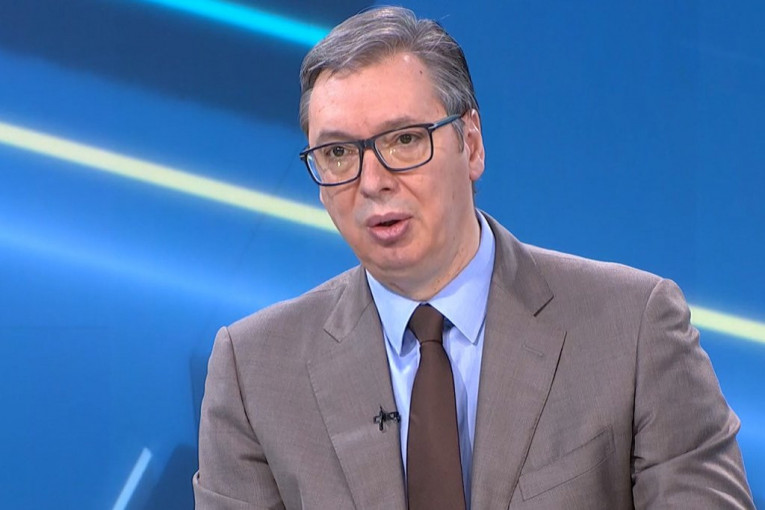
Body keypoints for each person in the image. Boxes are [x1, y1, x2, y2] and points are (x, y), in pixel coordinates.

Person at [193, 6, 754, 509]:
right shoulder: (254, 372)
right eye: (338, 153)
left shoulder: (632, 330)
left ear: (472, 144)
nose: (371, 182)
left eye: (404, 140)